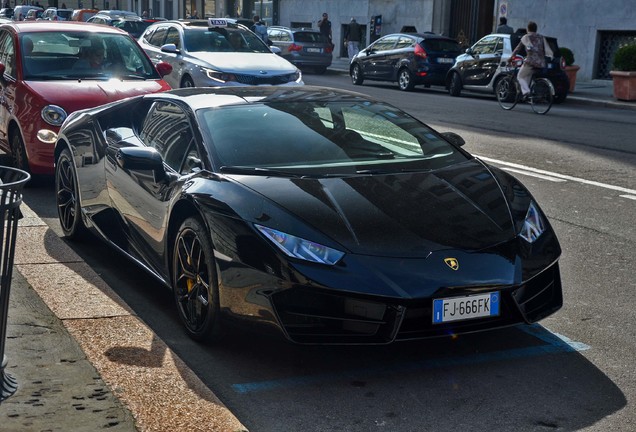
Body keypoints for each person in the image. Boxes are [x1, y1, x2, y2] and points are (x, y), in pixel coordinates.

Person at [509, 21, 554, 99]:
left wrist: (510, 58)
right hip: (541, 62)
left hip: (531, 62)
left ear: (527, 29)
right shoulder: (541, 37)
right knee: (527, 75)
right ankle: (529, 95)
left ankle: (526, 92)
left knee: (520, 76)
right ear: (536, 29)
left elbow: (517, 49)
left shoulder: (526, 37)